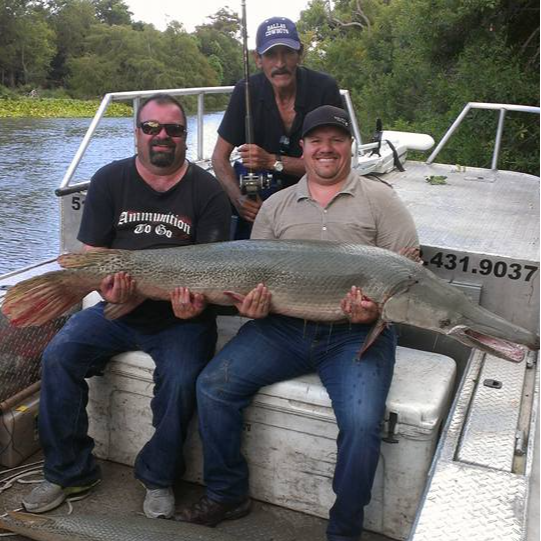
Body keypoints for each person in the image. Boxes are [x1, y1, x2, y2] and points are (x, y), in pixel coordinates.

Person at [177, 105, 420, 541]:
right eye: (316, 140)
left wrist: (376, 311)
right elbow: (250, 277)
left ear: (349, 147)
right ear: (303, 149)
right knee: (213, 385)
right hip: (283, 329)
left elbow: (409, 281)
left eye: (336, 139)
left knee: (364, 422)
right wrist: (250, 307)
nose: (326, 148)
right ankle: (228, 492)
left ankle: (344, 530)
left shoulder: (383, 200)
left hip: (356, 335)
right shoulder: (275, 205)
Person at [22, 94, 232, 520]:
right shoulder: (110, 179)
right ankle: (70, 471)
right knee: (59, 355)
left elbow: (213, 270)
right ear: (136, 133)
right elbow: (94, 253)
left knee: (181, 378)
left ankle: (157, 476)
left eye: (173, 129)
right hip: (119, 306)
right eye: (152, 127)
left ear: (184, 137)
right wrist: (108, 291)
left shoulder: (208, 191)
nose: (162, 136)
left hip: (181, 319)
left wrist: (195, 305)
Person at [212, 16, 343, 238]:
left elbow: (336, 164)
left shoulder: (324, 89)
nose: (280, 64)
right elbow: (219, 158)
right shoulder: (245, 90)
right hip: (261, 201)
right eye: (271, 54)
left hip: (313, 198)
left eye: (287, 53)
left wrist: (272, 162)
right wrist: (239, 199)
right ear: (258, 59)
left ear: (300, 54)